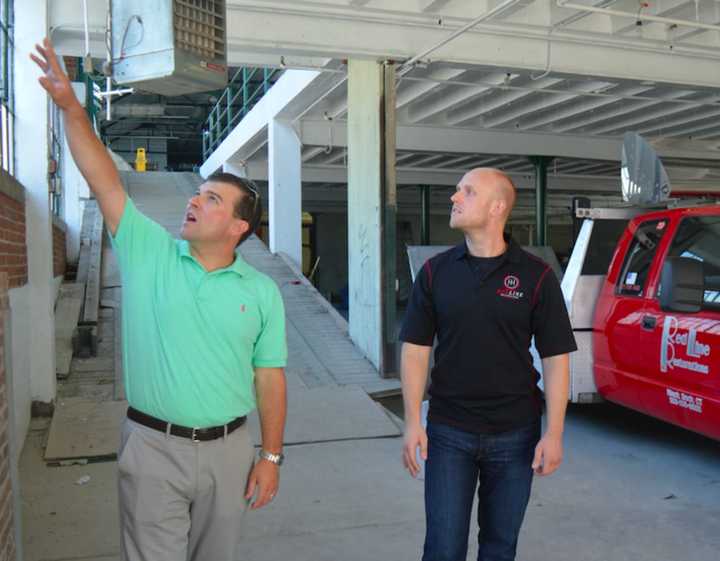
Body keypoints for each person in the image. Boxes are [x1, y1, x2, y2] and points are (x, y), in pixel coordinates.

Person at [32, 38, 288, 561]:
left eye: (211, 199)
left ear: (239, 227)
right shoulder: (149, 251)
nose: (195, 200)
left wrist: (271, 456)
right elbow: (103, 182)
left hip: (230, 451)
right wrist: (71, 110)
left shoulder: (262, 292)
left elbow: (270, 377)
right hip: (152, 447)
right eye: (197, 192)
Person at [400, 168, 577, 561]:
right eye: (457, 190)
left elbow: (555, 358)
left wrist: (556, 433)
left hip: (516, 434)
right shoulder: (435, 272)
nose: (454, 197)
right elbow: (415, 349)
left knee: (500, 547)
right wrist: (413, 420)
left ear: (497, 207)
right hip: (448, 431)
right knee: (443, 548)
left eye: (467, 191)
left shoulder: (537, 276)